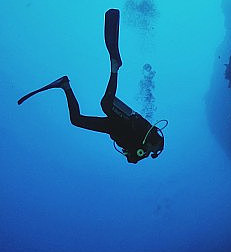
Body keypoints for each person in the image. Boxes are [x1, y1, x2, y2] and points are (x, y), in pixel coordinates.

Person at [18, 9, 165, 163]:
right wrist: (143, 150)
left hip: (112, 128)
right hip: (121, 123)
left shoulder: (144, 149)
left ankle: (65, 85)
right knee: (105, 105)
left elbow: (131, 159)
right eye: (154, 150)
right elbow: (136, 146)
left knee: (76, 120)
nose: (151, 151)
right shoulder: (150, 139)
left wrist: (137, 152)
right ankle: (115, 68)